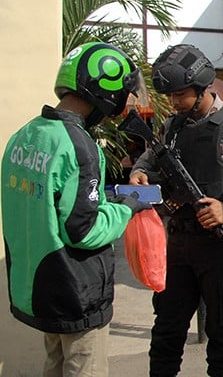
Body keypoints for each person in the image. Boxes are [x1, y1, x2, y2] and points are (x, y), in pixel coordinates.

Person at [128, 44, 223, 376]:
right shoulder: (172, 126)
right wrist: (138, 174)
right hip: (179, 245)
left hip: (222, 247)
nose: (174, 102)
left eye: (180, 94)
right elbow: (147, 160)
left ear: (202, 86)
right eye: (170, 96)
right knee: (166, 332)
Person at [1, 42, 150, 376]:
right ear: (105, 90)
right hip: (75, 290)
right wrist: (127, 208)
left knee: (53, 364)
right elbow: (84, 230)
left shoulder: (23, 137)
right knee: (84, 367)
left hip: (40, 288)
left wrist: (103, 201)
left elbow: (47, 207)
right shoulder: (79, 146)